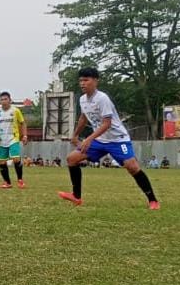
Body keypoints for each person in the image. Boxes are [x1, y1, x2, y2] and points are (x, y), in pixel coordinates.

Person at [58, 68, 160, 210]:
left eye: (86, 80)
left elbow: (107, 123)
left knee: (132, 167)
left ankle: (153, 200)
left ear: (95, 81)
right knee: (72, 159)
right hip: (99, 140)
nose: (82, 83)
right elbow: (83, 117)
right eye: (80, 80)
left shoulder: (102, 98)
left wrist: (88, 139)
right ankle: (76, 196)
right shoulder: (82, 99)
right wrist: (75, 135)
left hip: (118, 139)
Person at [0, 91, 28, 189]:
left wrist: (24, 136)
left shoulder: (15, 111)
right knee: (2, 162)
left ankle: (20, 180)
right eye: (1, 99)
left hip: (13, 138)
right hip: (2, 140)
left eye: (5, 99)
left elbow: (23, 123)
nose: (3, 101)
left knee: (16, 158)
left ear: (10, 100)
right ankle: (7, 182)